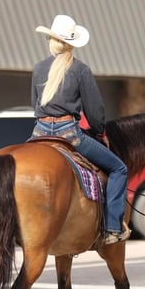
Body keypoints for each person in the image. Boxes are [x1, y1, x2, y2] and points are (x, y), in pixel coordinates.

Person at [31, 14, 130, 245]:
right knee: (119, 169)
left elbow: (34, 104)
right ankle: (113, 228)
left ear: (51, 41)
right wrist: (100, 133)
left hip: (39, 132)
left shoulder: (38, 68)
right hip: (69, 133)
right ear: (72, 43)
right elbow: (95, 111)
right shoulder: (80, 70)